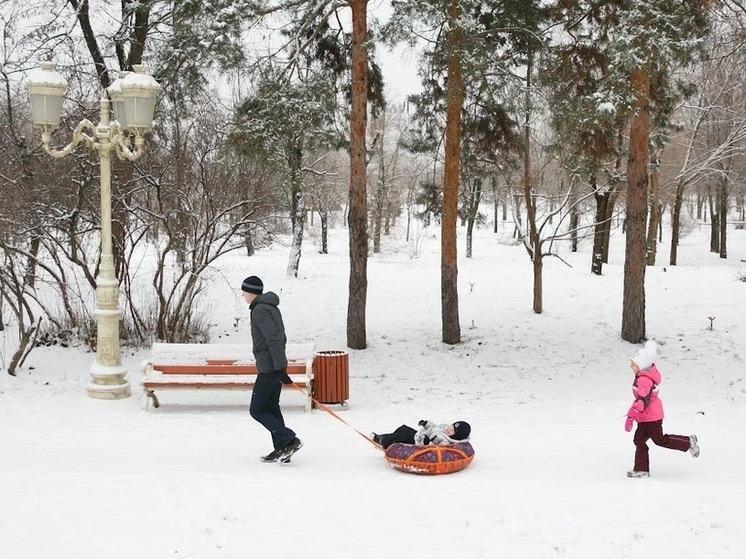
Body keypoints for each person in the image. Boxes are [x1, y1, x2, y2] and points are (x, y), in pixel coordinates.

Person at [241, 275, 302, 463]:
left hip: (269, 368)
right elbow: (279, 337)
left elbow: (274, 340)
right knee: (271, 407)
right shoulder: (270, 307)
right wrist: (281, 367)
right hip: (274, 366)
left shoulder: (260, 310)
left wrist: (277, 368)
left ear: (251, 292)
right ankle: (283, 448)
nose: (243, 295)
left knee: (257, 410)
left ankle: (289, 439)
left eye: (244, 291)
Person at [624, 340, 699, 478]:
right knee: (639, 440)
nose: (631, 366)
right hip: (645, 417)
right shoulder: (641, 377)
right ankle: (642, 469)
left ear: (641, 366)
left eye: (633, 364)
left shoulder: (644, 380)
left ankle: (689, 442)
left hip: (652, 417)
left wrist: (635, 410)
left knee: (659, 440)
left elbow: (643, 399)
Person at [371, 420, 471, 449]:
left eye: (451, 431)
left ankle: (382, 441)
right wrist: (426, 424)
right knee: (403, 428)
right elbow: (434, 427)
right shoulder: (444, 429)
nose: (448, 429)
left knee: (402, 436)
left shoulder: (445, 440)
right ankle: (385, 437)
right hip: (419, 435)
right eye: (451, 426)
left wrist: (426, 442)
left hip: (418, 442)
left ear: (455, 436)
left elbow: (436, 447)